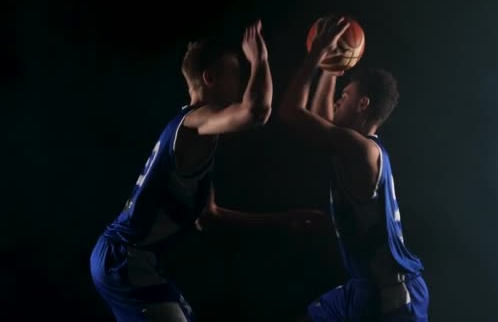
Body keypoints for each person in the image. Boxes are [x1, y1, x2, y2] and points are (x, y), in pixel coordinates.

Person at [90, 20, 324, 322]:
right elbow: (256, 112)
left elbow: (208, 218)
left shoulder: (200, 134)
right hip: (124, 257)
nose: (241, 84)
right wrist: (260, 60)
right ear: (210, 78)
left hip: (130, 258)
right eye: (236, 74)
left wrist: (285, 219)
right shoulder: (193, 124)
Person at [278, 17, 429, 321]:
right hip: (365, 286)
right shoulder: (357, 148)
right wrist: (331, 69)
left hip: (391, 295)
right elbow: (325, 120)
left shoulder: (360, 150)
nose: (336, 101)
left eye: (344, 97)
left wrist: (317, 53)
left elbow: (290, 112)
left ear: (362, 104)